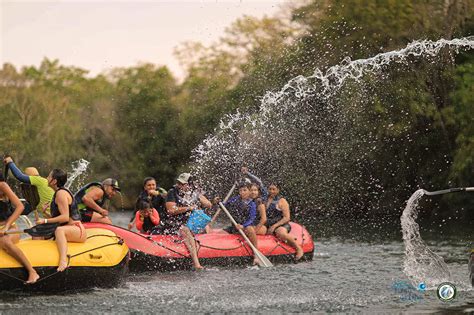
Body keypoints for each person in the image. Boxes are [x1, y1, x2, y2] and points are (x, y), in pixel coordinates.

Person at [36, 169, 86, 271]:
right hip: (67, 228)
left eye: (49, 177)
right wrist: (46, 214)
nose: (47, 178)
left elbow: (65, 217)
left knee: (59, 230)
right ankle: (37, 259)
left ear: (54, 181)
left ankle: (63, 261)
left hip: (76, 229)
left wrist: (45, 221)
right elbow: (60, 220)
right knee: (37, 231)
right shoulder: (57, 193)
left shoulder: (61, 194)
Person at [163, 173, 212, 270]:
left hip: (191, 223)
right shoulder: (172, 192)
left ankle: (199, 246)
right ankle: (196, 264)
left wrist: (200, 200)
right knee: (184, 229)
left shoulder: (194, 192)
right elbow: (171, 210)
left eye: (182, 184)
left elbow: (209, 205)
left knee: (206, 227)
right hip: (175, 224)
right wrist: (188, 207)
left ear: (189, 185)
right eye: (179, 183)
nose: (179, 185)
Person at [0, 173, 40, 283]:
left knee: (4, 241)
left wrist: (6, 227)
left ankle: (32, 271)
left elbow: (20, 206)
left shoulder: (2, 185)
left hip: (10, 228)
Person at [223, 181, 260, 264]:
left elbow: (252, 219)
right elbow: (225, 205)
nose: (242, 193)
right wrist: (218, 202)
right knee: (220, 233)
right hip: (235, 226)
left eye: (244, 190)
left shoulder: (252, 204)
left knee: (250, 228)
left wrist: (243, 226)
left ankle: (256, 255)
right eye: (240, 191)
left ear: (250, 191)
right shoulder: (235, 199)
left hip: (244, 227)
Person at [264, 183, 303, 260]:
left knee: (280, 233)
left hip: (281, 224)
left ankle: (298, 248)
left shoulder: (282, 201)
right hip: (268, 224)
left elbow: (286, 218)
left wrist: (274, 226)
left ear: (278, 190)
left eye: (274, 189)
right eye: (270, 189)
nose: (271, 191)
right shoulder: (264, 200)